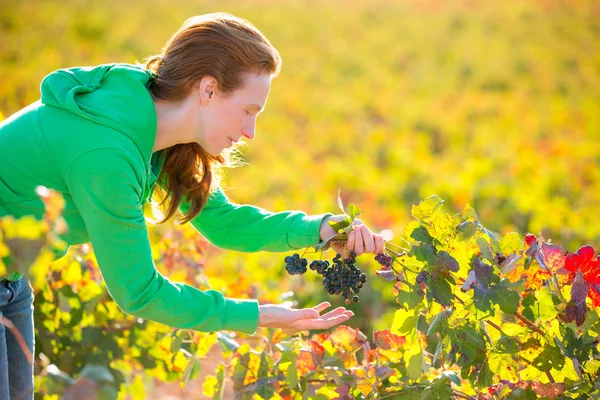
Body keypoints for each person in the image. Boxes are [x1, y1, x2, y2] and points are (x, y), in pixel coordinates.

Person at [0, 12, 385, 399]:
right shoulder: (107, 151)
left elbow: (224, 223)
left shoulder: (154, 128)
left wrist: (322, 228)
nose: (250, 132)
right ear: (208, 90)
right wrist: (259, 315)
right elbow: (139, 292)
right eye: (249, 111)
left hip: (11, 283)